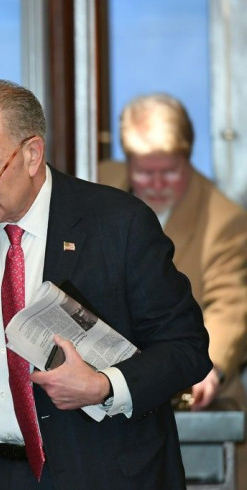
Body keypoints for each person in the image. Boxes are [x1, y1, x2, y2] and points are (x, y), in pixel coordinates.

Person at [0, 80, 211, 489]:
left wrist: (104, 386)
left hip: (92, 472)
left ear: (32, 154)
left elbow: (186, 348)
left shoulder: (117, 225)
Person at [99, 92, 247, 484]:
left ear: (188, 158)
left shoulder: (224, 220)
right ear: (128, 162)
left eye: (170, 171)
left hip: (187, 401)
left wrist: (205, 367)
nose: (157, 183)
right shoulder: (98, 185)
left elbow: (230, 304)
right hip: (108, 390)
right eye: (145, 172)